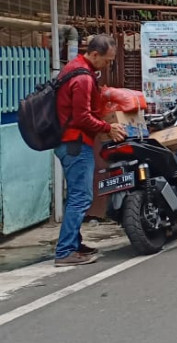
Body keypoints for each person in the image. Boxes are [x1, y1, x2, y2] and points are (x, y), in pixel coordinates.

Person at [54, 34, 127, 267]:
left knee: (76, 195)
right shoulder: (83, 78)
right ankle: (65, 251)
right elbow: (81, 117)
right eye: (106, 60)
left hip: (68, 141)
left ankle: (74, 244)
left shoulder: (72, 68)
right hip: (75, 142)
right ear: (94, 54)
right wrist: (107, 127)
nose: (107, 66)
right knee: (81, 197)